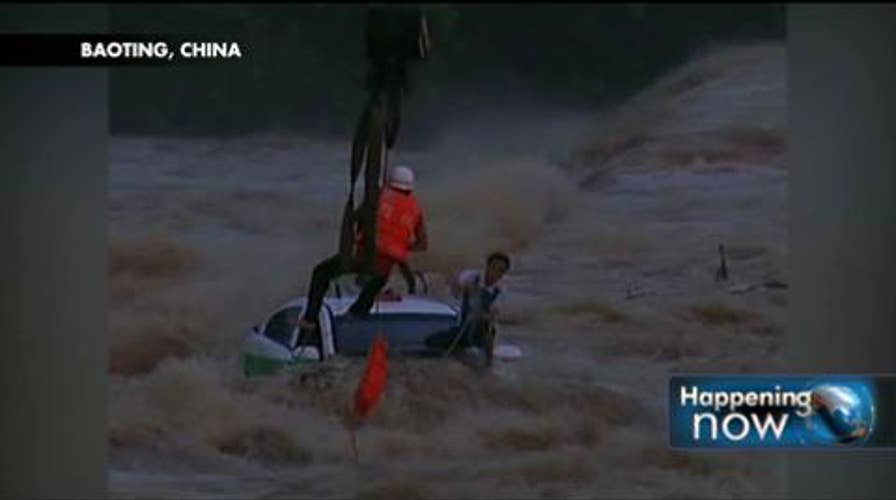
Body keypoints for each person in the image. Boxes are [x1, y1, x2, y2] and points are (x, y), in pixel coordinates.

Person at [296, 165, 428, 338]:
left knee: (321, 273)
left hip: (362, 257)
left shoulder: (378, 196)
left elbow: (355, 218)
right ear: (410, 188)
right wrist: (399, 245)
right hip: (384, 266)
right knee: (369, 295)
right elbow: (422, 244)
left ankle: (310, 320)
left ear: (389, 182)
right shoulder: (416, 209)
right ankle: (356, 318)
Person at [448, 252, 511, 366]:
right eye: (494, 267)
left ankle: (488, 363)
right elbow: (454, 291)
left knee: (488, 334)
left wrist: (480, 315)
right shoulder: (470, 276)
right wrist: (463, 289)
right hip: (463, 321)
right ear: (487, 266)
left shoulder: (501, 290)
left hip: (482, 327)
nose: (496, 273)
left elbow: (493, 315)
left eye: (501, 270)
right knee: (433, 340)